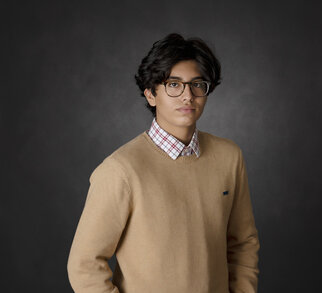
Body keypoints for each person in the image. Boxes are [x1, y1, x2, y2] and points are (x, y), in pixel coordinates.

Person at [67, 33, 260, 293]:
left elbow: (243, 243)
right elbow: (84, 265)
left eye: (197, 84)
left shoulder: (229, 157)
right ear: (151, 95)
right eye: (173, 84)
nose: (187, 96)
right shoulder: (120, 171)